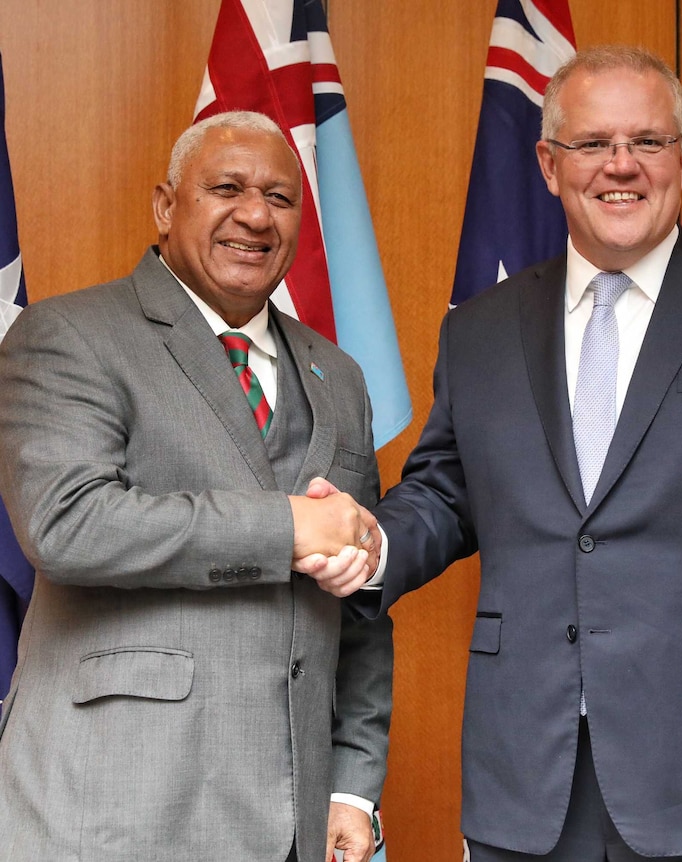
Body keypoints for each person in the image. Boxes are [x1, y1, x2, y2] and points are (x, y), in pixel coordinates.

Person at [299, 47, 682, 862]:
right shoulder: (480, 330)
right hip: (529, 785)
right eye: (594, 143)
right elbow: (445, 495)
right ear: (549, 164)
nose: (622, 166)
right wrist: (369, 542)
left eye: (649, 142)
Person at [0, 111, 392, 862]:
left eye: (280, 198)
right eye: (227, 188)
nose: (255, 214)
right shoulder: (68, 336)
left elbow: (363, 598)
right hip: (113, 806)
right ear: (165, 206)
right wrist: (285, 528)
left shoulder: (337, 376)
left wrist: (352, 781)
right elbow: (68, 526)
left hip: (295, 819)